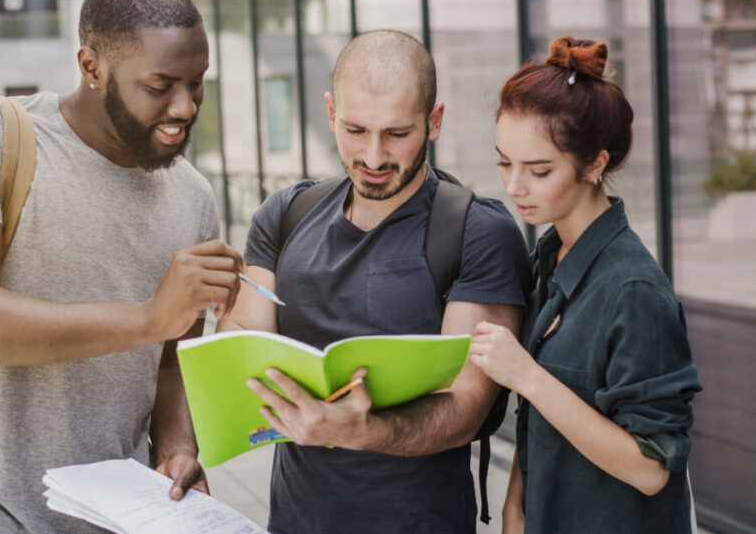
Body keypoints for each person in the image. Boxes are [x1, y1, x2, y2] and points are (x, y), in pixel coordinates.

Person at [0, 0, 243, 534]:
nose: (185, 106)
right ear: (92, 67)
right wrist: (145, 318)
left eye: (197, 82)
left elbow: (170, 364)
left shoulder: (193, 197)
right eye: (161, 85)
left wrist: (179, 448)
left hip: (121, 518)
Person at [217, 30, 531, 534]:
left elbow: (467, 406)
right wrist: (223, 330)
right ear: (329, 112)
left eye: (397, 133)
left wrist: (365, 431)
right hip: (294, 521)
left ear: (435, 122)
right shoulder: (284, 215)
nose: (375, 156)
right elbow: (243, 353)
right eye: (355, 130)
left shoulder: (478, 233)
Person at [469, 36, 702, 533]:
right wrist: (515, 506)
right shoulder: (549, 257)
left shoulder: (632, 290)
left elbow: (651, 468)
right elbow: (540, 417)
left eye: (539, 170)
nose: (515, 186)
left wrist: (526, 375)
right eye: (504, 163)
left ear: (596, 164)